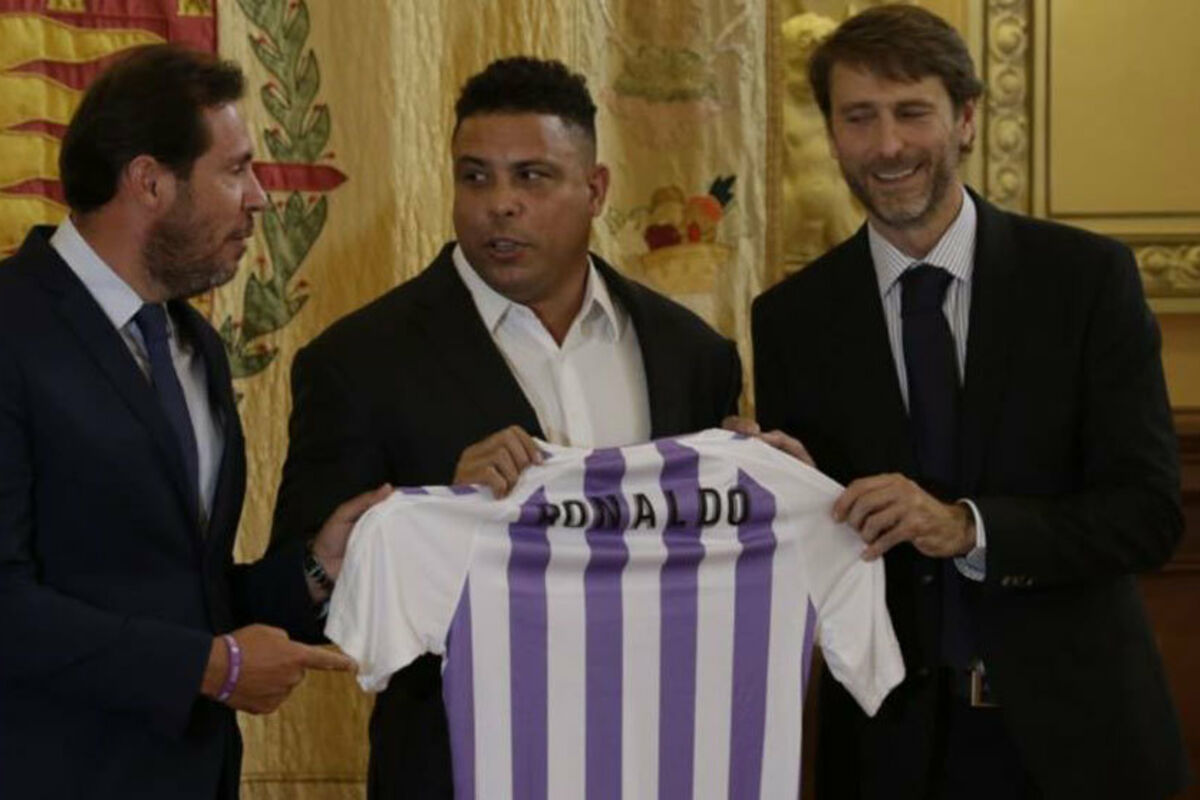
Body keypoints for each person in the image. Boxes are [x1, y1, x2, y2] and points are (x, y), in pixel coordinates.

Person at [269, 57, 744, 798]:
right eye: (475, 177)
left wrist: (769, 483)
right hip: (459, 767)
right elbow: (304, 600)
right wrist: (439, 515)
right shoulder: (358, 361)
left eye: (532, 177)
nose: (500, 205)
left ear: (596, 190)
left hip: (662, 758)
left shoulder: (694, 355)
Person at [753, 5, 1189, 799]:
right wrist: (781, 492)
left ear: (965, 119)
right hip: (890, 758)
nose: (888, 145)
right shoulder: (790, 319)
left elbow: (1148, 515)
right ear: (833, 134)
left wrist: (968, 528)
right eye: (859, 117)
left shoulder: (1086, 281)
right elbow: (824, 563)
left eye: (911, 112)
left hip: (1082, 748)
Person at [0, 45, 388, 800]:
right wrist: (211, 669)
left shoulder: (193, 343)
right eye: (236, 169)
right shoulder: (8, 327)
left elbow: (182, 594)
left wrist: (316, 570)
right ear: (149, 181)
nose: (261, 200)